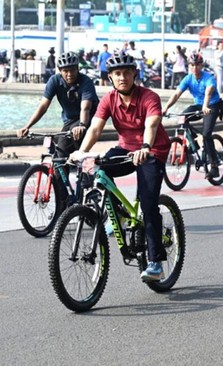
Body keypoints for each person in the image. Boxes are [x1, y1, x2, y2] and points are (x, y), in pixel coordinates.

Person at [71, 52, 171, 282]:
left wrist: (146, 146)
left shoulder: (149, 96)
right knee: (99, 169)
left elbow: (152, 123)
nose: (122, 77)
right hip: (125, 149)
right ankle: (121, 215)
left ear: (134, 74)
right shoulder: (108, 99)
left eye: (127, 72)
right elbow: (95, 129)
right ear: (110, 78)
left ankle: (156, 262)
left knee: (148, 205)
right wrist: (83, 153)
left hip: (152, 151)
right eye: (117, 74)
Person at [17, 51, 99, 158]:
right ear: (60, 71)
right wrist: (27, 126)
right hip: (70, 120)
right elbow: (43, 106)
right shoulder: (54, 81)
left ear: (78, 69)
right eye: (66, 71)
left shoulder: (86, 81)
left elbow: (86, 108)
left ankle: (85, 171)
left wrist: (82, 125)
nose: (69, 74)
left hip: (89, 118)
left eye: (72, 70)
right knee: (60, 154)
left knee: (77, 149)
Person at [162, 52, 223, 178]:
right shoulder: (188, 78)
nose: (194, 68)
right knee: (182, 118)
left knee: (206, 134)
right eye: (192, 65)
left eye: (197, 65)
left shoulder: (209, 78)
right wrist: (165, 108)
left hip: (212, 105)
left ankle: (214, 165)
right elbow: (176, 94)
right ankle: (193, 143)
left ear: (201, 65)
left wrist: (206, 106)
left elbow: (208, 93)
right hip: (199, 105)